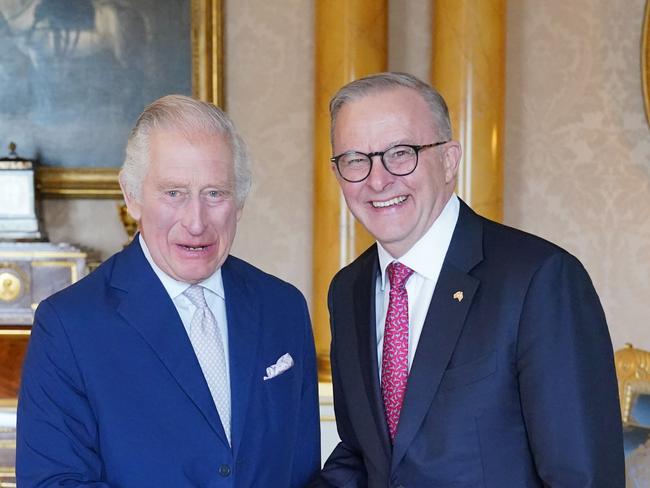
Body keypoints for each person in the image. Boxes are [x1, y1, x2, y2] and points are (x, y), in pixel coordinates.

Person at [313, 72, 624, 487]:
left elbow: (583, 477)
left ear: (449, 160)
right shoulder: (348, 289)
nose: (378, 179)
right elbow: (362, 456)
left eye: (401, 153)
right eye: (355, 159)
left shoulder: (538, 279)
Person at [17, 95, 320, 487]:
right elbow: (52, 482)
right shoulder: (69, 324)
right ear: (132, 197)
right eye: (174, 193)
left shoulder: (283, 307)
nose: (196, 222)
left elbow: (304, 471)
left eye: (215, 193)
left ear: (239, 202)